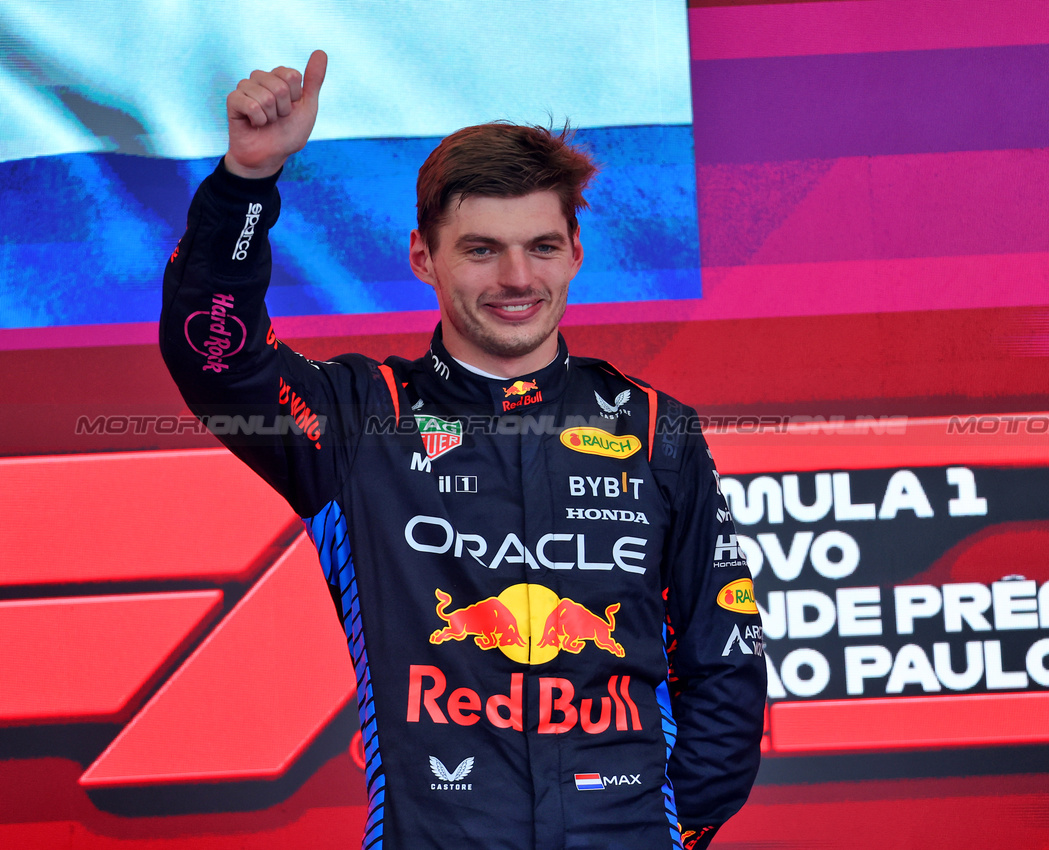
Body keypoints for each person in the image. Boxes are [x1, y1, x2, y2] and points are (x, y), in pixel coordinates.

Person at [159, 51, 765, 850]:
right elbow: (215, 356)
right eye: (481, 250)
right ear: (424, 259)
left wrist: (664, 828)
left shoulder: (656, 431)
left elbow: (726, 660)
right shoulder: (358, 419)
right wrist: (245, 181)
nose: (517, 278)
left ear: (576, 254)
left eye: (542, 247)